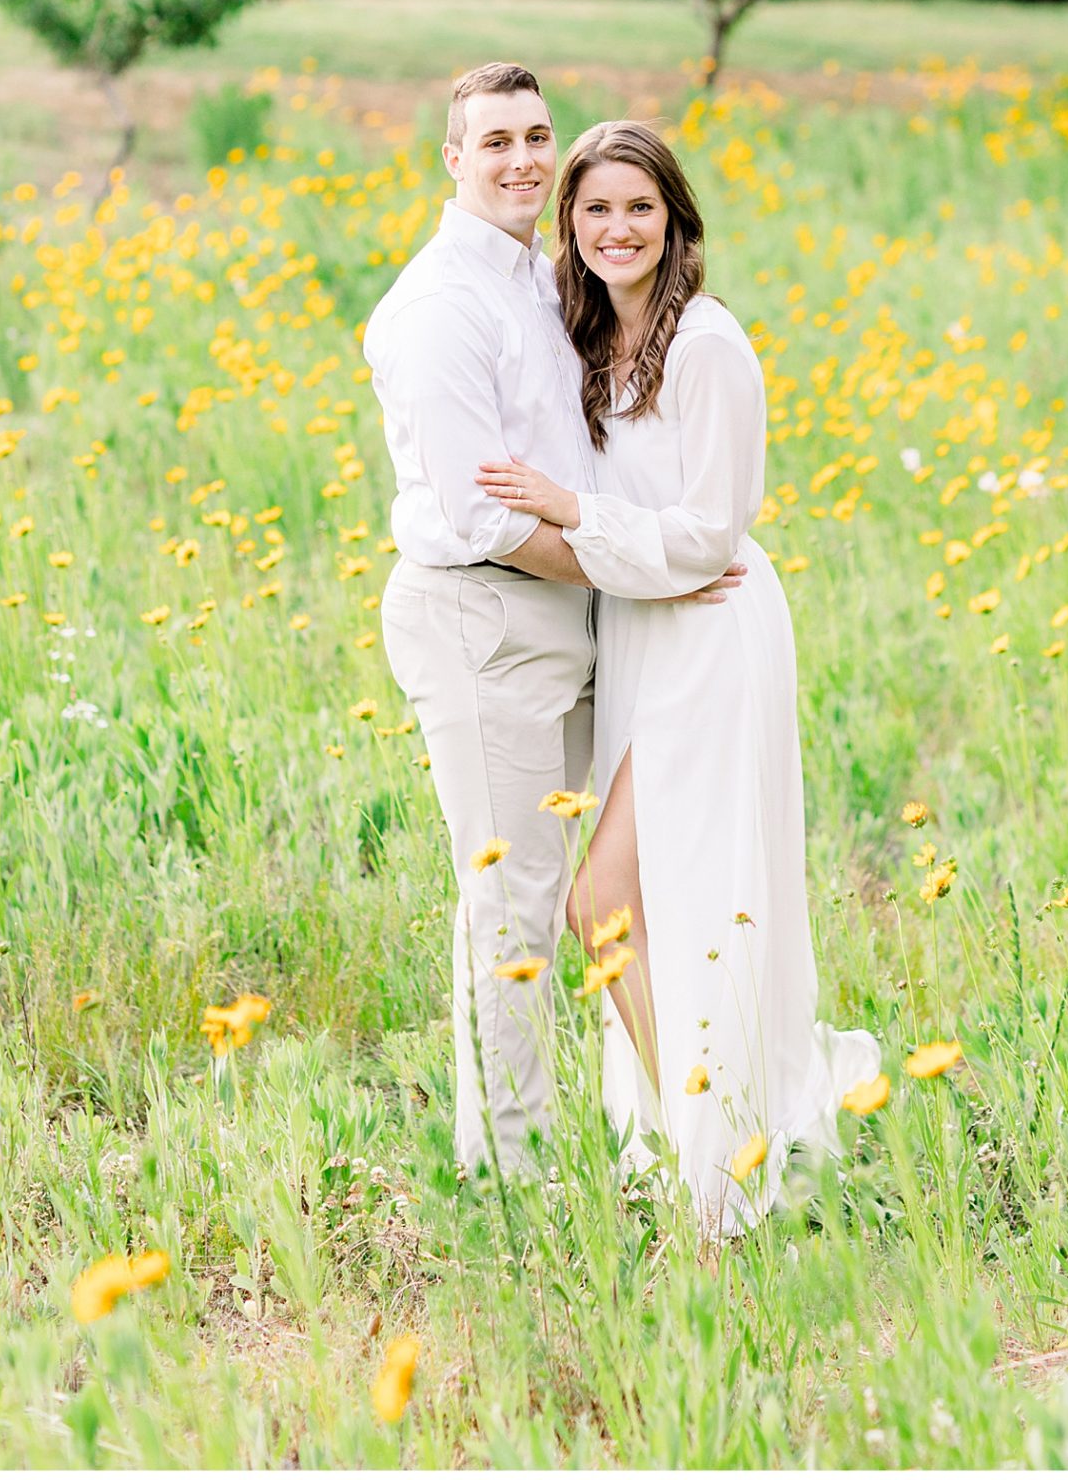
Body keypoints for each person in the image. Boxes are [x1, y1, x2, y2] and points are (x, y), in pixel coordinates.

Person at [477, 118, 879, 1234]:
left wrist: (571, 512)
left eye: (638, 208)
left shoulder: (709, 346)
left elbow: (711, 534)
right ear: (568, 224)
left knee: (606, 901)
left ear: (676, 220)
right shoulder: (584, 338)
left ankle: (718, 1168)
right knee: (653, 908)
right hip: (642, 634)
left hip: (710, 635)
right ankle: (705, 1140)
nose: (617, 229)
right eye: (595, 209)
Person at [364, 62, 739, 1175]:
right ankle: (510, 1176)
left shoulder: (538, 276)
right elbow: (480, 515)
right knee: (515, 906)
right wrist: (641, 570)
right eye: (496, 142)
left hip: (574, 619)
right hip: (490, 619)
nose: (523, 158)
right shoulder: (435, 308)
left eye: (537, 136)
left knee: (593, 888)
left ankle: (682, 1120)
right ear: (453, 158)